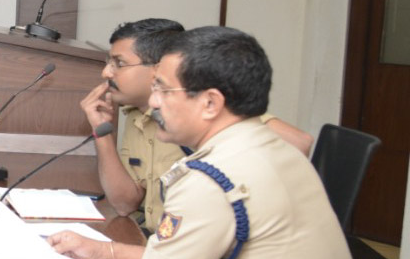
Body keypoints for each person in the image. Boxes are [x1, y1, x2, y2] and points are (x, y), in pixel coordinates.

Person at [48, 27, 370, 259]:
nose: (154, 102)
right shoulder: (272, 149)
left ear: (211, 103)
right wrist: (103, 252)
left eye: (163, 90)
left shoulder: (212, 180)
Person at [80, 18, 316, 234]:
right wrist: (102, 132)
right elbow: (124, 203)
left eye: (119, 63)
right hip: (160, 239)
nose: (106, 72)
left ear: (159, 68)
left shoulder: (202, 109)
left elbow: (299, 143)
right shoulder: (136, 114)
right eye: (108, 62)